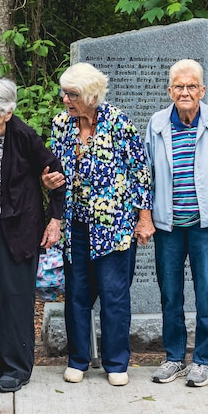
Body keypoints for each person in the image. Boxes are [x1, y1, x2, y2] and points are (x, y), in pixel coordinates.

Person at [46, 62, 153, 387]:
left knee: (114, 295)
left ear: (91, 95)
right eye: (64, 93)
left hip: (115, 226)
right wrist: (49, 181)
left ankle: (116, 362)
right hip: (76, 224)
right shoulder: (62, 124)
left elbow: (141, 172)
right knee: (77, 294)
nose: (65, 99)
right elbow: (53, 167)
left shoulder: (118, 122)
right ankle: (78, 359)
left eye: (72, 94)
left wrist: (144, 218)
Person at [142, 59, 208, 388]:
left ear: (202, 90)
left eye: (191, 86)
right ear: (169, 90)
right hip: (169, 226)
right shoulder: (157, 124)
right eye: (178, 86)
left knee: (206, 294)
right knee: (170, 295)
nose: (184, 92)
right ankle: (174, 357)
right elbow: (147, 176)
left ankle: (203, 360)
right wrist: (145, 217)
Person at [0, 78, 65, 393]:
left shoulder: (23, 136)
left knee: (14, 298)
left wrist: (54, 219)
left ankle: (17, 367)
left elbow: (56, 177)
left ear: (7, 113)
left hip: (18, 229)